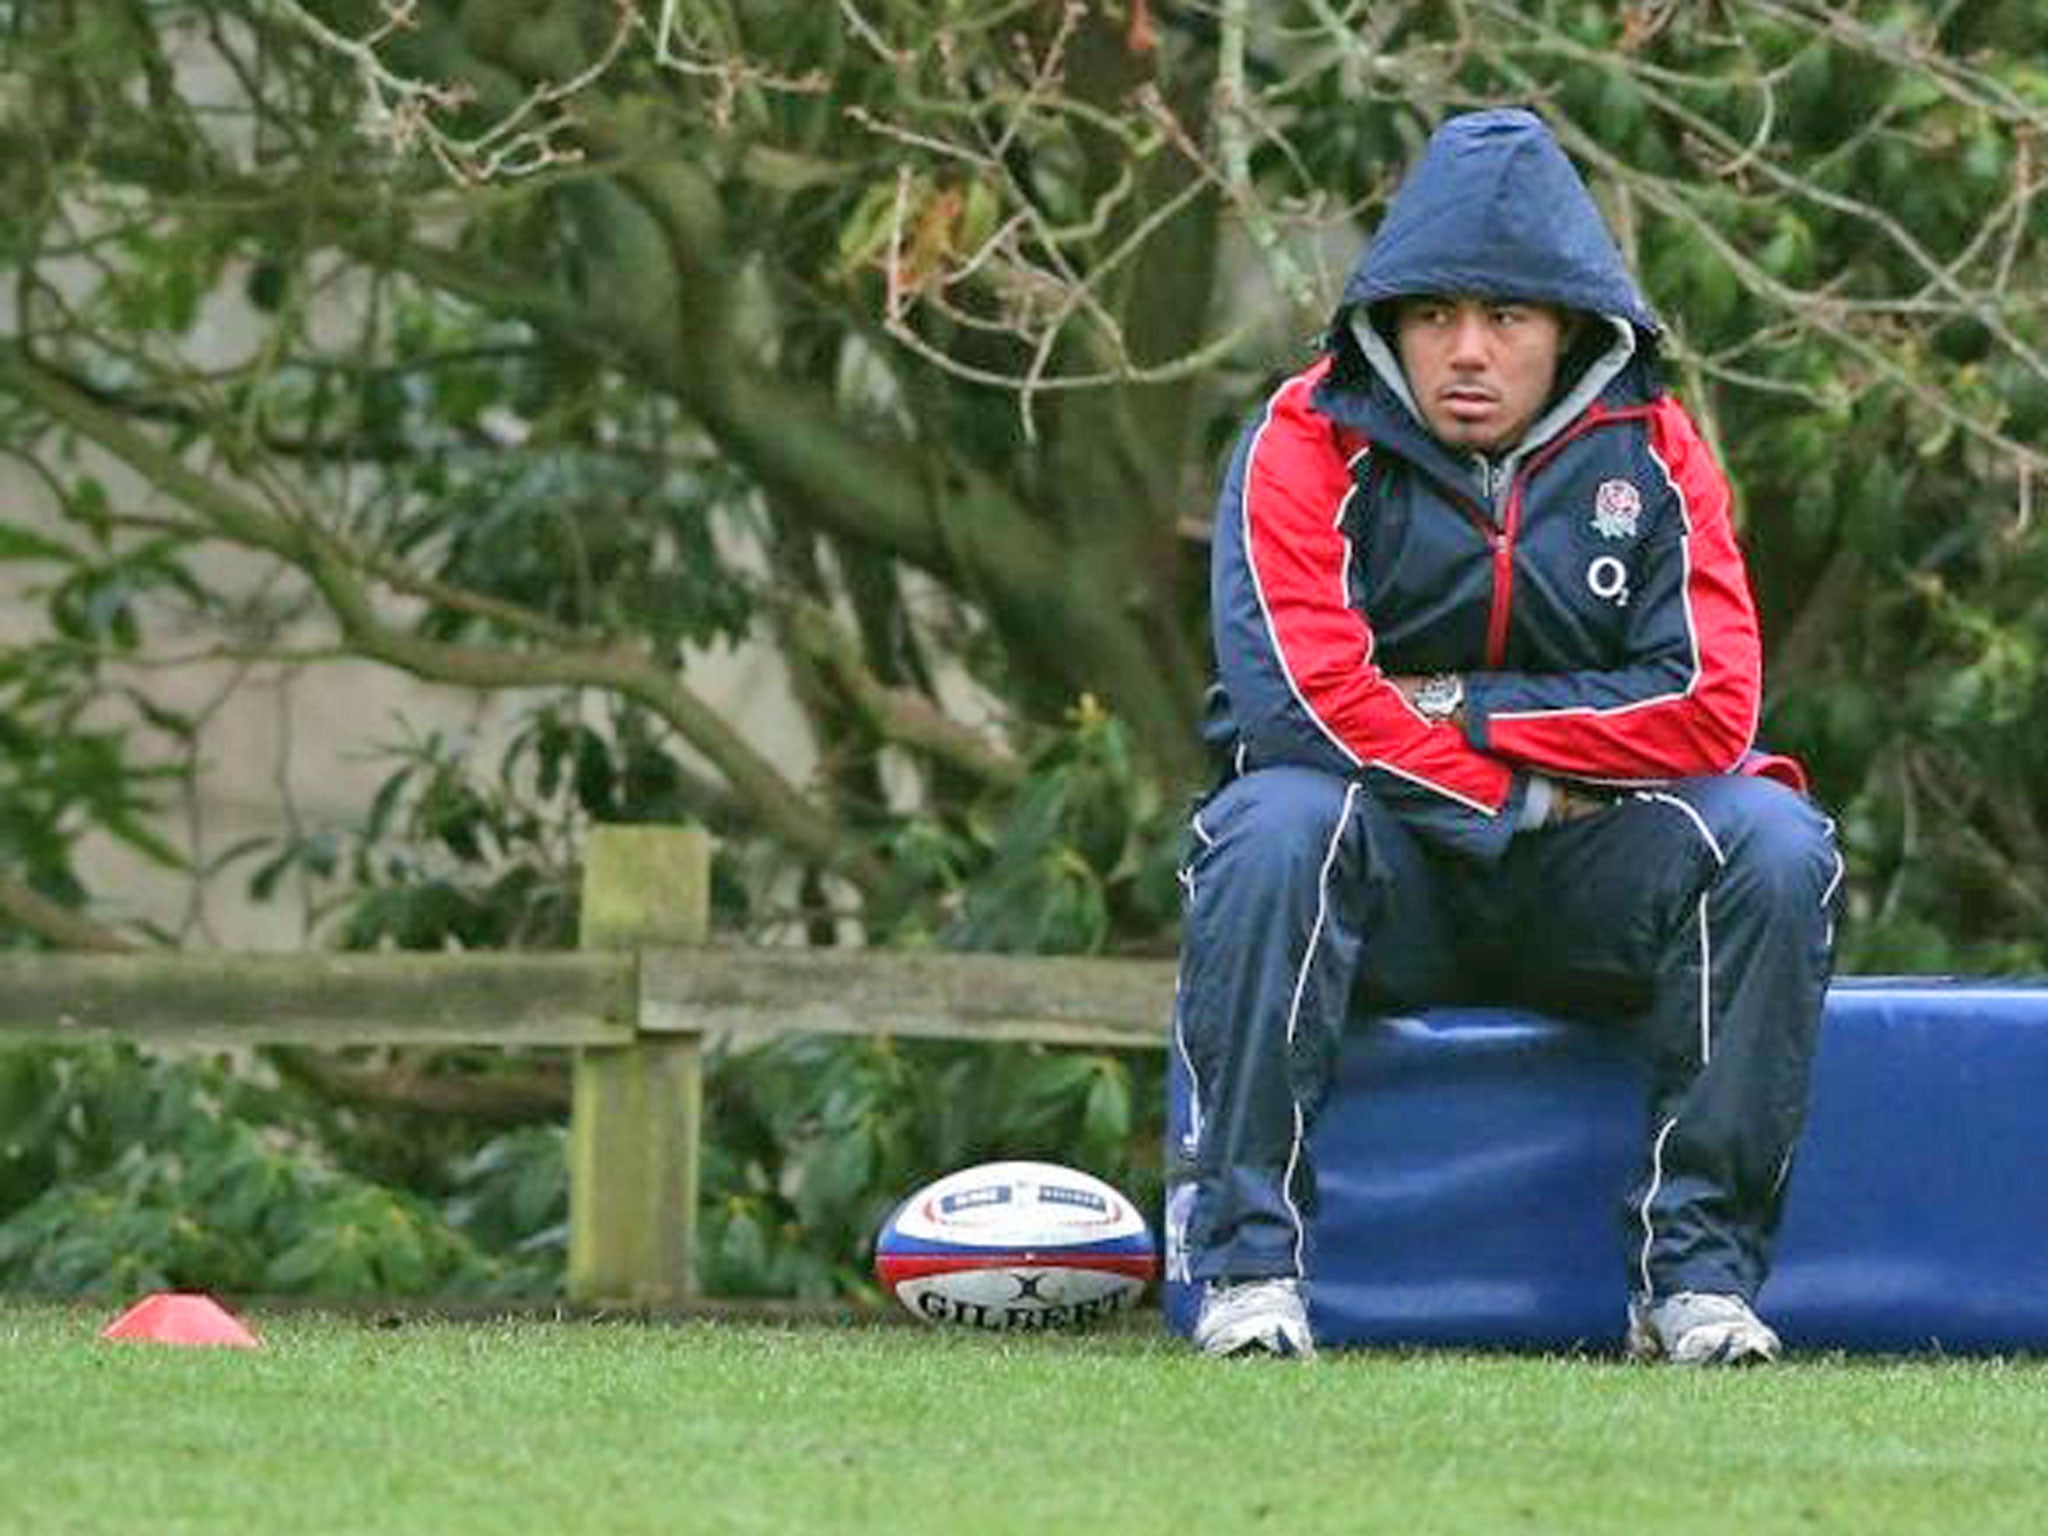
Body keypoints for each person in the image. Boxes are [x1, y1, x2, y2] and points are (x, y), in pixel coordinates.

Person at [1173, 107, 1845, 1365]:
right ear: (1390, 323)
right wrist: (1523, 794)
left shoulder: (1652, 452)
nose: (1466, 352)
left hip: (1581, 891)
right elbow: (1300, 706)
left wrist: (1457, 711)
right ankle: (1247, 1271)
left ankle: (1690, 1282)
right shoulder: (1301, 437)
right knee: (1269, 823)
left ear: (1568, 330)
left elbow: (1709, 704)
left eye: (1506, 320)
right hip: (1380, 884)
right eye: (1434, 317)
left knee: (1769, 835)